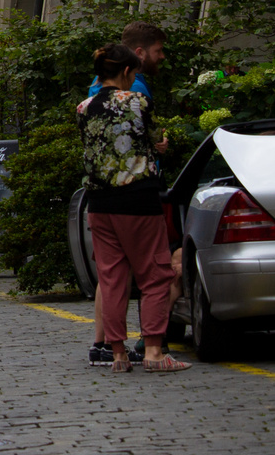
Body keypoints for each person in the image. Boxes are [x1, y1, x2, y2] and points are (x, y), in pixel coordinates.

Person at [80, 42, 188, 372]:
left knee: (112, 278)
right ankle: (154, 352)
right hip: (138, 199)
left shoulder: (84, 107)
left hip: (99, 203)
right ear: (127, 72)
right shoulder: (138, 101)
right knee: (155, 275)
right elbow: (149, 138)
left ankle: (117, 354)